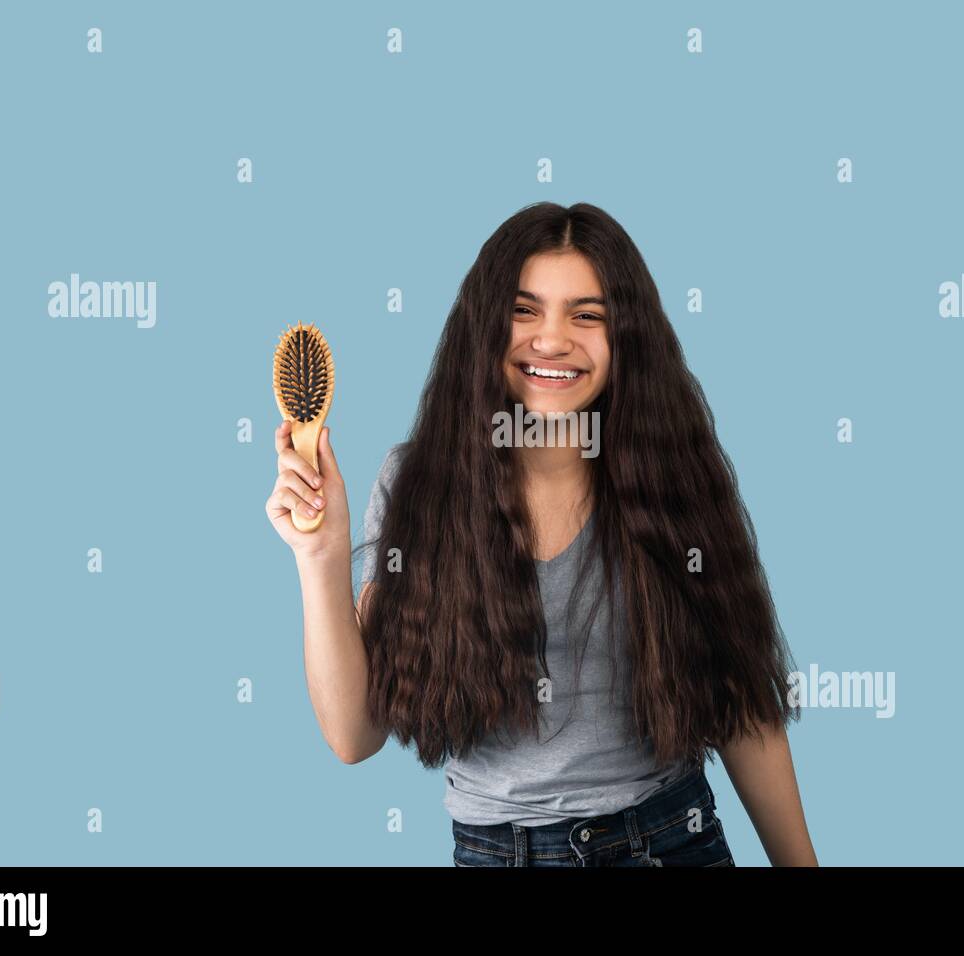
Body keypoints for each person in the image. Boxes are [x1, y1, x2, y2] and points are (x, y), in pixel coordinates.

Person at [266, 202, 818, 866]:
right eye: (524, 310)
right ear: (485, 325)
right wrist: (321, 555)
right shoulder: (417, 482)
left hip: (669, 842)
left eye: (588, 315)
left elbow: (743, 709)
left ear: (627, 339)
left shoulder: (675, 473)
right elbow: (354, 736)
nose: (551, 340)